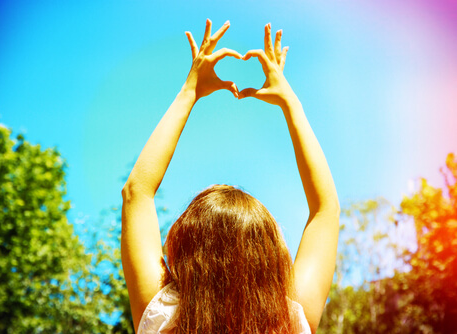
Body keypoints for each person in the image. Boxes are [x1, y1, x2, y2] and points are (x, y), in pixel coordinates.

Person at [121, 19, 340, 334]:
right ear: (269, 254)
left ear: (186, 248)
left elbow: (136, 193)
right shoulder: (291, 321)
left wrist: (190, 91)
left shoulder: (163, 317)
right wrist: (291, 103)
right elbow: (326, 209)